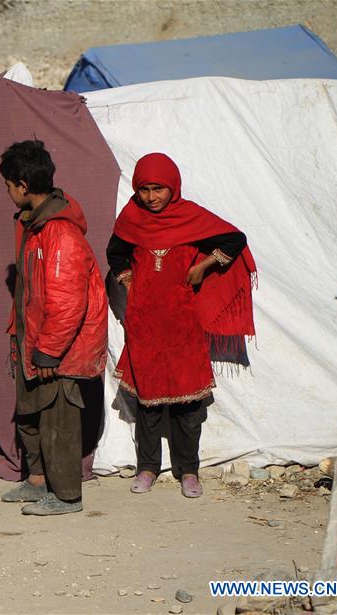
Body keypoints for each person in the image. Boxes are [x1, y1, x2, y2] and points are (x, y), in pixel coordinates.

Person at [107, 152, 256, 498]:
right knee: (148, 401)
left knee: (188, 404)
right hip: (145, 322)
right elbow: (115, 253)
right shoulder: (132, 218)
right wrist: (129, 281)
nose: (151, 197)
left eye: (158, 189)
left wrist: (204, 266)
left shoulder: (190, 217)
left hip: (183, 323)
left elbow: (234, 239)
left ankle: (188, 470)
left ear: (172, 186)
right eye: (144, 189)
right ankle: (147, 468)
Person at [0, 140, 108, 516]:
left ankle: (66, 496)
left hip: (55, 349)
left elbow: (66, 302)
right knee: (30, 413)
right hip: (34, 339)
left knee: (57, 418)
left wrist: (48, 350)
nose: (8, 193)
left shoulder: (59, 233)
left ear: (23, 186)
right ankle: (37, 481)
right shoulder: (35, 227)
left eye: (8, 185)